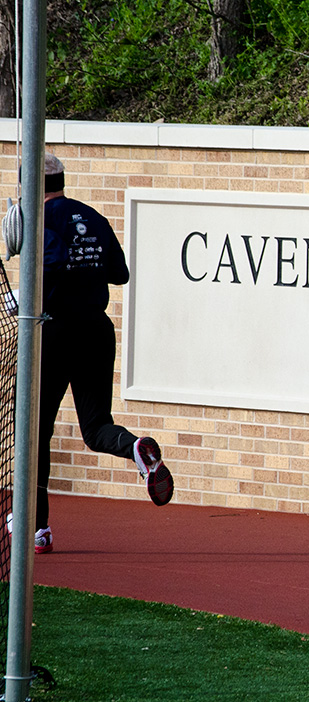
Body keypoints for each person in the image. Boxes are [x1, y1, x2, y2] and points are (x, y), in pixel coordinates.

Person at [30, 152, 174, 554]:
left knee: (35, 431)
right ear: (62, 180)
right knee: (95, 428)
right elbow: (119, 274)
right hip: (96, 329)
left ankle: (38, 529)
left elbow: (52, 262)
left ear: (28, 186)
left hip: (55, 331)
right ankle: (134, 447)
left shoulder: (40, 221)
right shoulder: (92, 216)